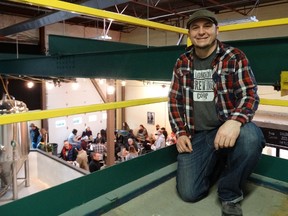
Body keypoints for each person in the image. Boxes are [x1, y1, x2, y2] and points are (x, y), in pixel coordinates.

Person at [168, 9, 265, 216]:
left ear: (216, 30)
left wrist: (235, 122)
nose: (201, 32)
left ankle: (230, 194)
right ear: (189, 33)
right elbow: (174, 101)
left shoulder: (234, 56)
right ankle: (220, 162)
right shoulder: (182, 62)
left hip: (227, 128)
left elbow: (250, 95)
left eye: (206, 26)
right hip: (199, 135)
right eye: (195, 27)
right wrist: (181, 132)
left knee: (251, 137)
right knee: (189, 193)